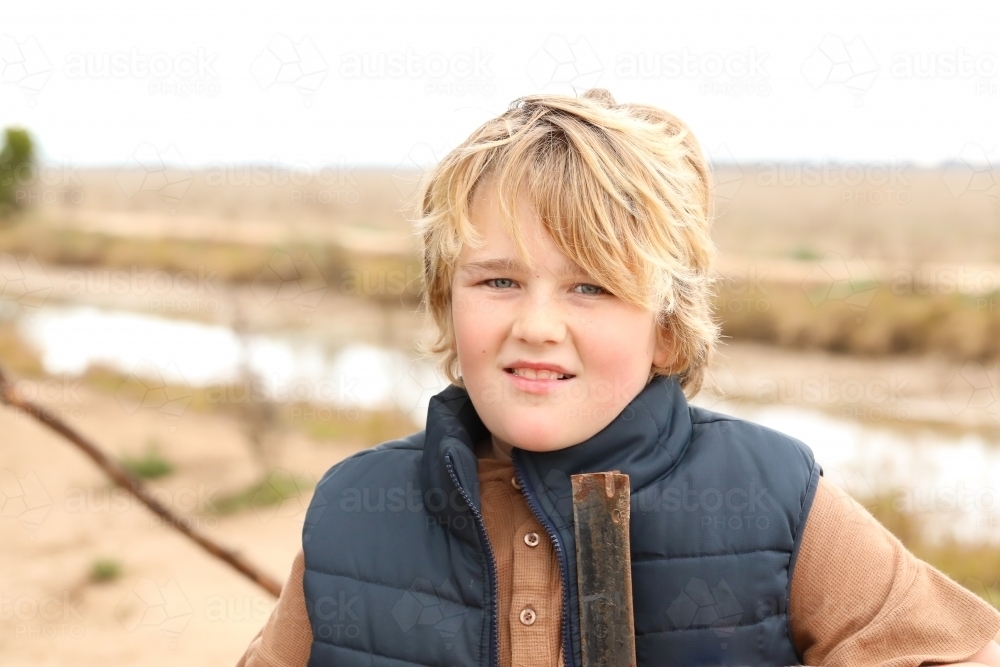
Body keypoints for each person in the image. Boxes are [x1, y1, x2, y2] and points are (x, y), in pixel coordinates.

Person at [237, 88, 1000, 666]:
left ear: (666, 329)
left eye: (590, 286)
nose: (536, 323)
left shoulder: (772, 497)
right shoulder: (355, 513)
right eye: (498, 281)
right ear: (446, 300)